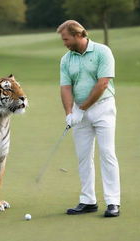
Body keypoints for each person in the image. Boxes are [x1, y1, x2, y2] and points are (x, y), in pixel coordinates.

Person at [57, 20, 120, 217]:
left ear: (78, 35)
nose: (64, 43)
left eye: (66, 39)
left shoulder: (102, 52)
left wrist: (82, 108)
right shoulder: (66, 59)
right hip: (79, 112)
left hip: (103, 108)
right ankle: (88, 200)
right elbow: (66, 87)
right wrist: (69, 113)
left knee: (107, 153)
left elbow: (102, 84)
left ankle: (113, 202)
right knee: (83, 156)